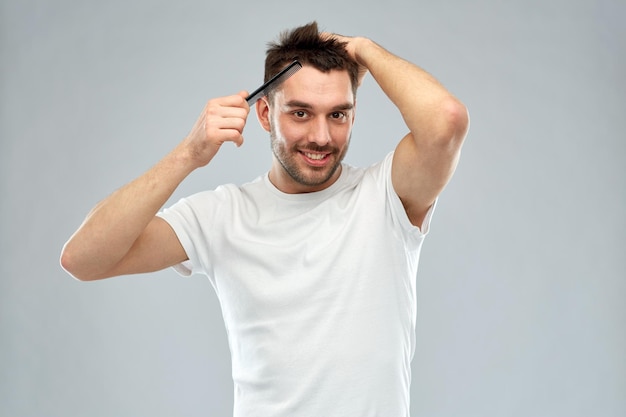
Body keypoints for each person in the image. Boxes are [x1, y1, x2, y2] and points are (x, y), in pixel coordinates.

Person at [61, 21, 468, 417]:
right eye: (301, 113)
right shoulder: (222, 215)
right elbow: (83, 259)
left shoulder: (386, 197)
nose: (321, 137)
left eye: (338, 115)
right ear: (263, 113)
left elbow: (446, 120)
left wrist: (362, 49)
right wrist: (188, 155)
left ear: (353, 115)